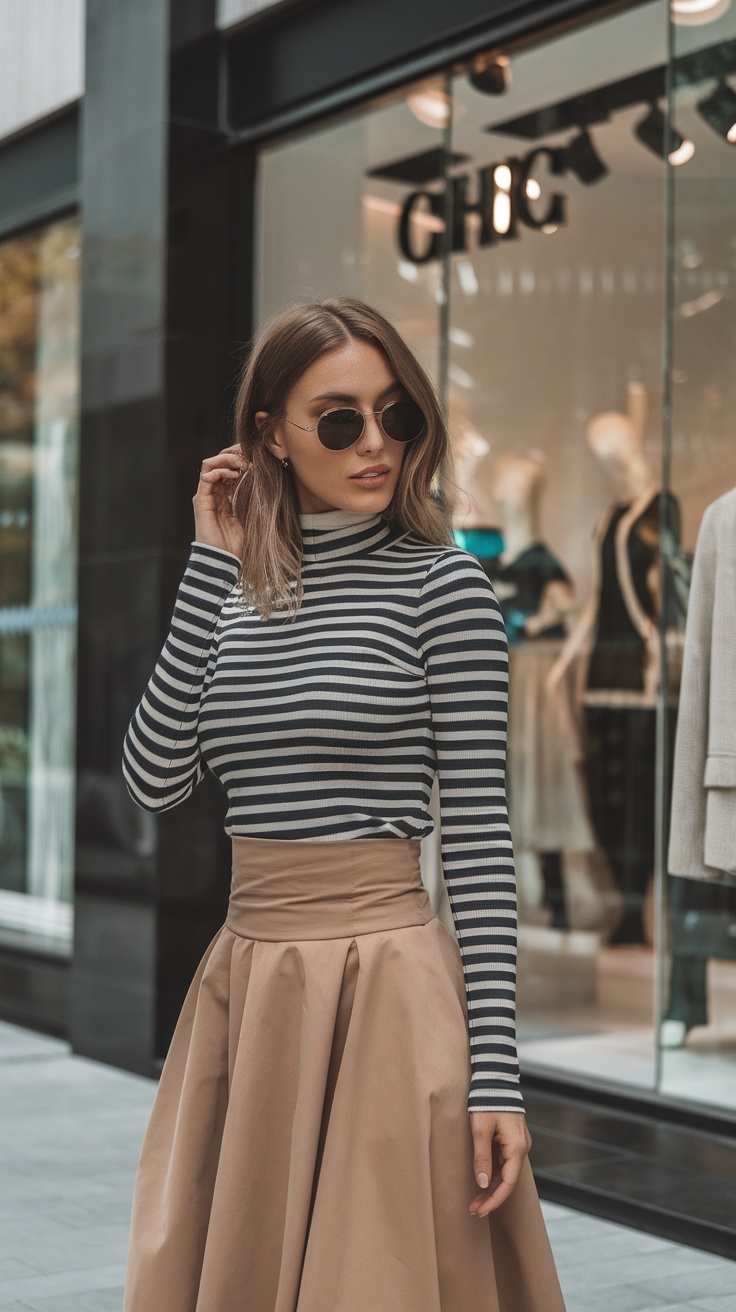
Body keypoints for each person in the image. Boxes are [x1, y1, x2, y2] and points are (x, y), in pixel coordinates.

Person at [120, 297, 567, 1311]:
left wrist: (495, 1075)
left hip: (387, 983)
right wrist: (207, 564)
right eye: (338, 418)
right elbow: (152, 781)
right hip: (250, 982)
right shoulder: (231, 593)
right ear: (268, 432)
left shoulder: (443, 588)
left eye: (396, 414)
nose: (375, 443)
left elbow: (482, 844)